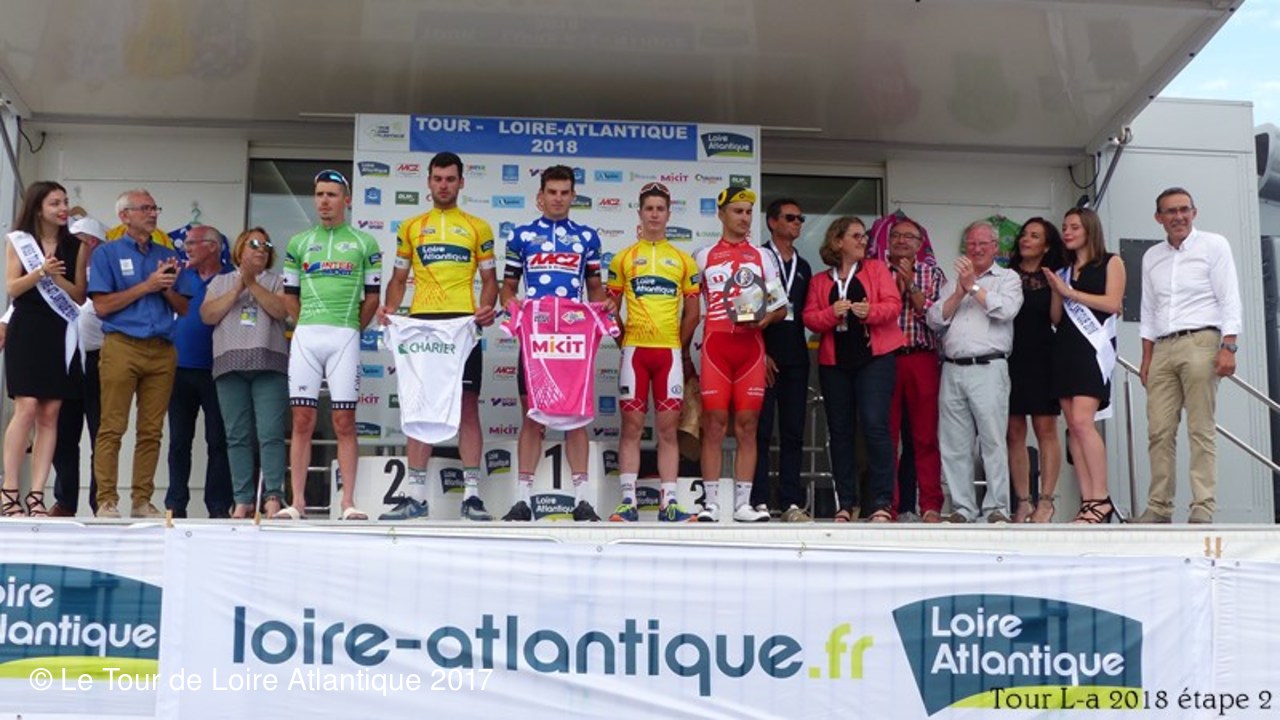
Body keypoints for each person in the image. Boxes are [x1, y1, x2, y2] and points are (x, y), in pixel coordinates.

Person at [377, 152, 499, 521]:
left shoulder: (478, 227)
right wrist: (389, 310)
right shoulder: (411, 226)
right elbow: (399, 279)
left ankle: (472, 497)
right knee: (418, 405)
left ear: (461, 182)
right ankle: (415, 496)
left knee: (468, 407)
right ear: (428, 182)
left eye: (450, 179)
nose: (443, 185)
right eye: (438, 178)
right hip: (422, 325)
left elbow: (490, 280)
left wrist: (486, 308)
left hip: (461, 325)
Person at [499, 165, 609, 522]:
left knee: (576, 417)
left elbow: (595, 289)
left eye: (564, 193)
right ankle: (522, 500)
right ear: (540, 196)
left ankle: (583, 501)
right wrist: (512, 307)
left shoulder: (587, 238)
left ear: (573, 196)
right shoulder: (521, 236)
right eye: (552, 192)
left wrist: (604, 308)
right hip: (537, 338)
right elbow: (508, 288)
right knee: (532, 416)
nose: (558, 198)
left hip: (573, 338)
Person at [278, 170, 382, 520]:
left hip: (344, 336)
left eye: (332, 195)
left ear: (346, 200)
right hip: (307, 337)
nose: (324, 201)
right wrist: (305, 325)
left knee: (344, 420)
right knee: (302, 419)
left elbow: (372, 297)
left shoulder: (365, 243)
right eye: (320, 194)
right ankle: (297, 502)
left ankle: (348, 502)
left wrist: (352, 329)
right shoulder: (299, 242)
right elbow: (289, 296)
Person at [1137, 187, 1242, 524]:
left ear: (1194, 212)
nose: (1179, 216)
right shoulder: (1152, 256)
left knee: (1200, 428)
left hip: (1201, 341)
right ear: (1159, 218)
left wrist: (1229, 346)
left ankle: (1202, 506)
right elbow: (1148, 310)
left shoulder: (1214, 245)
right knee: (1159, 430)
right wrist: (1146, 358)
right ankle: (1159, 507)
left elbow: (1229, 298)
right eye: (1171, 211)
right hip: (1162, 347)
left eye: (1184, 209)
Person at [89, 189, 190, 518]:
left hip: (161, 349)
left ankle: (141, 500)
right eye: (144, 208)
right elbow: (102, 306)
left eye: (154, 207)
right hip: (122, 345)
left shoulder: (167, 254)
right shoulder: (107, 253)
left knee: (151, 430)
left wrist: (167, 288)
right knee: (112, 426)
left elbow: (183, 308)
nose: (153, 213)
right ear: (124, 216)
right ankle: (106, 500)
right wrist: (147, 285)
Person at [605, 182, 701, 523]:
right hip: (635, 353)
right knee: (631, 427)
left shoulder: (684, 261)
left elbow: (693, 314)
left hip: (668, 355)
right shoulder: (623, 258)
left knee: (667, 430)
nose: (655, 215)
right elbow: (610, 309)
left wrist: (677, 346)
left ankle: (669, 503)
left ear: (669, 214)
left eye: (660, 209)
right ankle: (627, 502)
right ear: (640, 213)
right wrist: (624, 342)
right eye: (649, 209)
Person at [691, 186, 788, 523]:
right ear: (721, 214)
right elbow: (690, 305)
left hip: (750, 348)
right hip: (716, 347)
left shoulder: (763, 257)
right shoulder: (703, 256)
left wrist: (766, 319)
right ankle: (711, 503)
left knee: (748, 427)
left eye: (748, 212)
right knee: (714, 424)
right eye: (737, 211)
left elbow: (781, 306)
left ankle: (743, 504)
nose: (745, 218)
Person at [803, 217, 904, 522]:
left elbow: (894, 305)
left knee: (875, 425)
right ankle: (845, 503)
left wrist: (870, 311)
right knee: (840, 432)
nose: (863, 241)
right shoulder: (820, 281)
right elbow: (810, 318)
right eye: (856, 236)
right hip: (836, 364)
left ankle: (881, 501)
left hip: (875, 359)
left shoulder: (876, 269)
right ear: (838, 241)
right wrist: (830, 314)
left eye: (864, 236)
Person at [925, 221, 1023, 523]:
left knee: (992, 440)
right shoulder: (954, 282)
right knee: (954, 443)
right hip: (953, 368)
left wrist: (974, 288)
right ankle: (963, 508)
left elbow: (1005, 310)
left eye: (983, 243)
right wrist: (959, 292)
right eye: (971, 244)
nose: (977, 249)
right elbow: (934, 319)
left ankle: (997, 508)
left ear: (995, 247)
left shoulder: (1008, 278)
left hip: (989, 367)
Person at [2, 181, 89, 517]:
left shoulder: (77, 246)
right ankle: (10, 490)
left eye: (65, 202)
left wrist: (55, 278)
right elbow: (13, 287)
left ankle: (37, 494)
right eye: (55, 203)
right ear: (38, 208)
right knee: (25, 407)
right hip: (27, 328)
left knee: (50, 414)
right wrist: (41, 272)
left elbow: (79, 295)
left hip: (60, 330)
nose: (63, 208)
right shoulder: (19, 241)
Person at [201, 228, 291, 519]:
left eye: (266, 244)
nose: (261, 248)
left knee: (270, 433)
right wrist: (238, 288)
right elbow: (207, 315)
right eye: (254, 244)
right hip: (230, 366)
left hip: (269, 365)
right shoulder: (220, 281)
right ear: (240, 249)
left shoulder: (277, 281)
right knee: (236, 436)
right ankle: (243, 499)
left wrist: (253, 284)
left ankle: (273, 496)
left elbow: (281, 311)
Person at [1044, 207, 1124, 524]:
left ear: (1089, 229)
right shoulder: (1064, 270)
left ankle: (1101, 497)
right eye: (1065, 227)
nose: (1067, 232)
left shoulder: (1110, 262)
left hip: (1093, 350)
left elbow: (1113, 304)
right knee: (1073, 428)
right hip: (1064, 348)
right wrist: (1057, 292)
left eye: (1074, 227)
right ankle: (1088, 501)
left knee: (1082, 422)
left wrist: (1071, 293)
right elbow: (1055, 317)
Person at [164, 224, 234, 518]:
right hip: (179, 369)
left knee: (218, 441)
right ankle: (175, 504)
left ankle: (218, 506)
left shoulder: (232, 278)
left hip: (218, 369)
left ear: (213, 246)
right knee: (179, 441)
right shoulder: (179, 276)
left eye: (193, 243)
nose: (186, 248)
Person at [753, 198, 813, 522]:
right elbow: (749, 312)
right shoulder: (758, 259)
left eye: (800, 218)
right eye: (790, 218)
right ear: (772, 222)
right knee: (761, 431)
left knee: (793, 431)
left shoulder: (804, 267)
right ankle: (758, 500)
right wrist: (759, 353)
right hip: (763, 355)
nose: (797, 223)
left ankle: (791, 501)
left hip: (796, 357)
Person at [885, 217, 946, 523]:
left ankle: (931, 504)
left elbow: (935, 316)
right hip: (885, 359)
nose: (901, 240)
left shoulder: (932, 273)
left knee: (925, 436)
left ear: (920, 244)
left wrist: (909, 283)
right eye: (896, 235)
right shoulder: (875, 270)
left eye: (909, 236)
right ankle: (888, 504)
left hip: (921, 356)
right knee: (886, 435)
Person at [1005, 217, 1065, 523]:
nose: (1026, 239)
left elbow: (1056, 319)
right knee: (1014, 431)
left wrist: (1056, 289)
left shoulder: (1054, 275)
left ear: (1047, 245)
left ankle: (1046, 501)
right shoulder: (1007, 274)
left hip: (1043, 356)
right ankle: (1023, 501)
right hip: (1010, 357)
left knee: (1045, 429)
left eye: (1034, 235)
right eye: (1024, 235)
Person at [49, 216, 109, 517]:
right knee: (63, 434)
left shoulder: (106, 275)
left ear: (91, 243)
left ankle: (102, 501)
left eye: (76, 241)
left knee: (102, 435)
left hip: (100, 361)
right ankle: (65, 500)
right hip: (66, 361)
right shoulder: (57, 275)